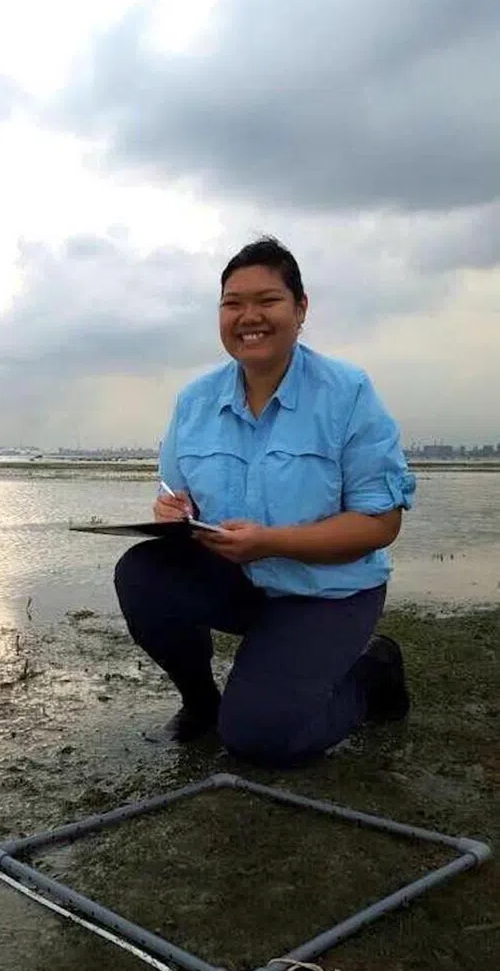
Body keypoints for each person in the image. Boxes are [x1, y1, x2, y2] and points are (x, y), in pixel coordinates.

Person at [114, 237, 415, 767]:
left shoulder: (347, 394)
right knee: (144, 573)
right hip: (238, 582)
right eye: (233, 304)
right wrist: (172, 513)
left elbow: (379, 523)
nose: (248, 316)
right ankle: (201, 703)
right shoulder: (195, 401)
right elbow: (172, 494)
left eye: (267, 301)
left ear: (300, 309)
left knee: (261, 738)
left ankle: (374, 672)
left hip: (328, 593)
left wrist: (271, 542)